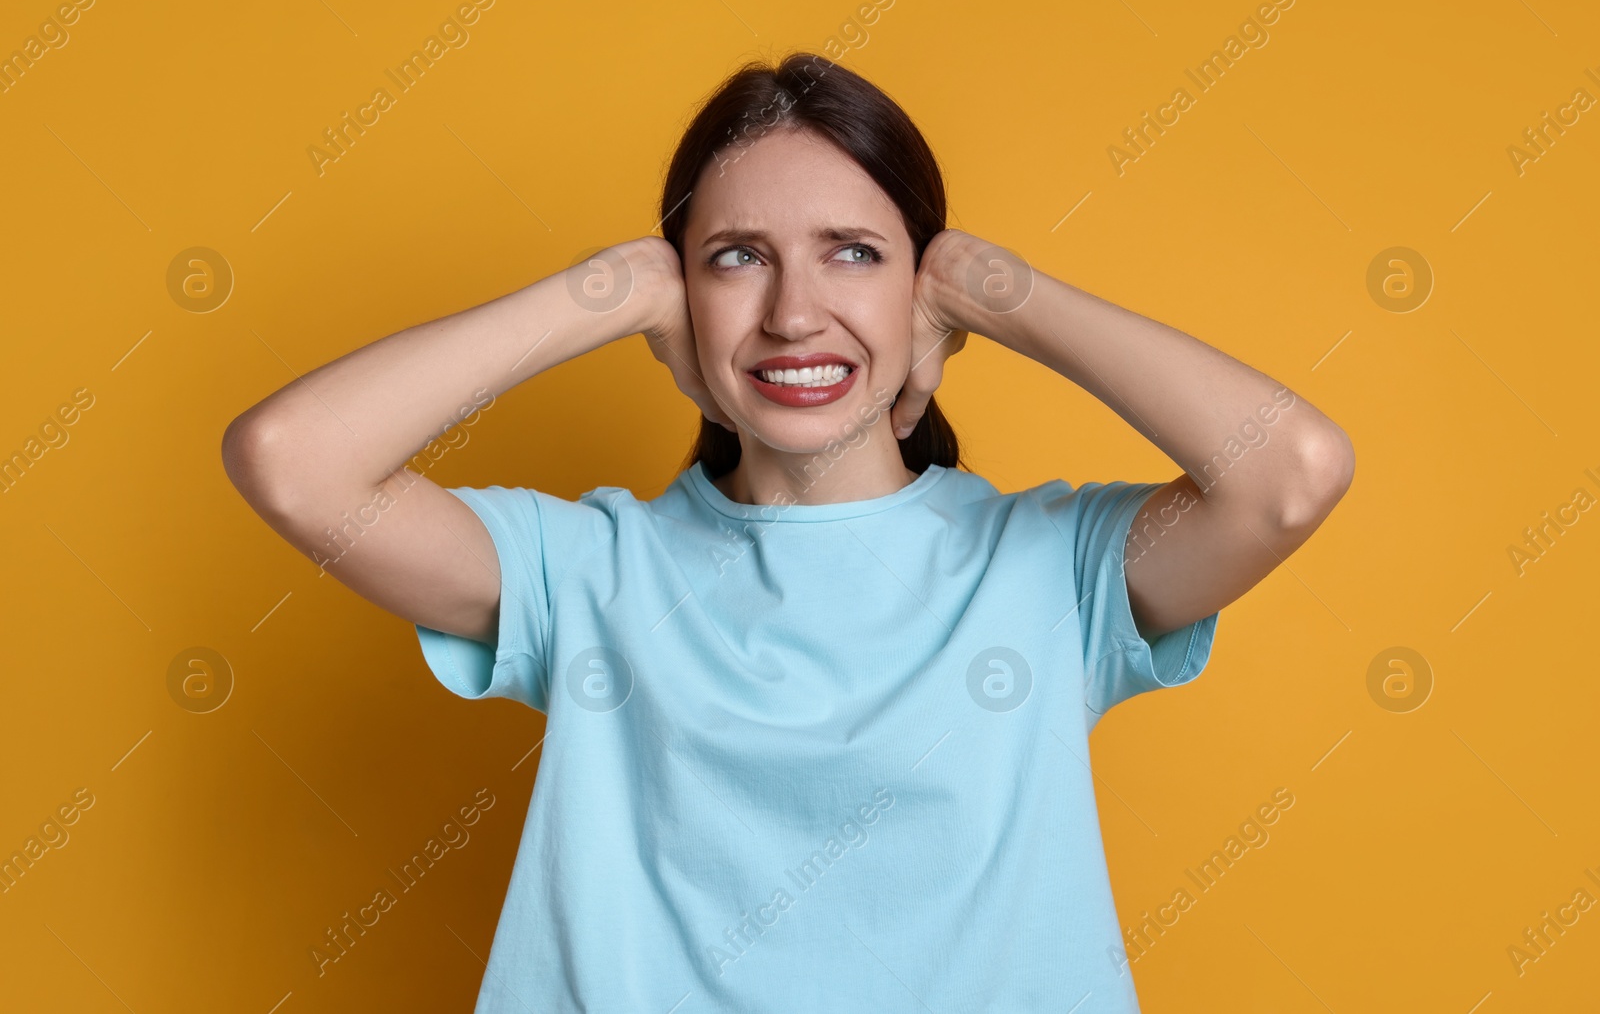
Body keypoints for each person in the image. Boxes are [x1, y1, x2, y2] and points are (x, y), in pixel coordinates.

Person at [222, 52, 1354, 1012]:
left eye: (854, 251)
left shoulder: (1046, 566)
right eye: (736, 257)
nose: (793, 312)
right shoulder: (587, 574)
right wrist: (611, 290)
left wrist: (984, 286)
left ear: (920, 295)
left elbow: (1288, 471)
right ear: (684, 297)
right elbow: (293, 460)